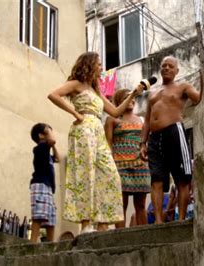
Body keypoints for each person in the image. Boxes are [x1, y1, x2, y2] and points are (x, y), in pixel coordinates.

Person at [47, 52, 145, 233]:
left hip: (98, 131)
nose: (101, 67)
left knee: (110, 175)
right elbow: (53, 95)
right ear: (90, 64)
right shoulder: (76, 84)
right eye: (99, 64)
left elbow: (115, 112)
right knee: (86, 175)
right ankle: (85, 224)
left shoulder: (96, 90)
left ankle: (102, 222)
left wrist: (133, 94)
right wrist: (75, 114)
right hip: (83, 130)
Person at [140, 56, 203, 225]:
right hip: (154, 139)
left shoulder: (183, 86)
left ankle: (181, 219)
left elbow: (198, 98)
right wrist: (142, 143)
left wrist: (203, 79)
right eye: (163, 66)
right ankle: (159, 221)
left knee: (182, 178)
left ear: (177, 71)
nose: (166, 68)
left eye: (170, 66)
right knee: (156, 179)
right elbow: (146, 120)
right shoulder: (153, 93)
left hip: (174, 132)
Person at [104, 89, 151, 228]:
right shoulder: (112, 119)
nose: (131, 100)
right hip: (120, 167)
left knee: (141, 205)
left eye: (133, 98)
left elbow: (145, 142)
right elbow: (108, 145)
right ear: (119, 100)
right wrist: (110, 167)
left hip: (140, 166)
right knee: (121, 205)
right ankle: (120, 238)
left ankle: (143, 235)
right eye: (127, 97)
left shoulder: (141, 119)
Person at [29, 123, 60, 242]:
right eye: (48, 131)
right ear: (41, 136)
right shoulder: (40, 148)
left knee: (51, 218)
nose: (51, 134)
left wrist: (53, 147)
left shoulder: (46, 152)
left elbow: (57, 158)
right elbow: (52, 140)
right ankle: (32, 242)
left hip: (48, 187)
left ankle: (51, 243)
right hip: (40, 185)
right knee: (39, 215)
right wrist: (49, 133)